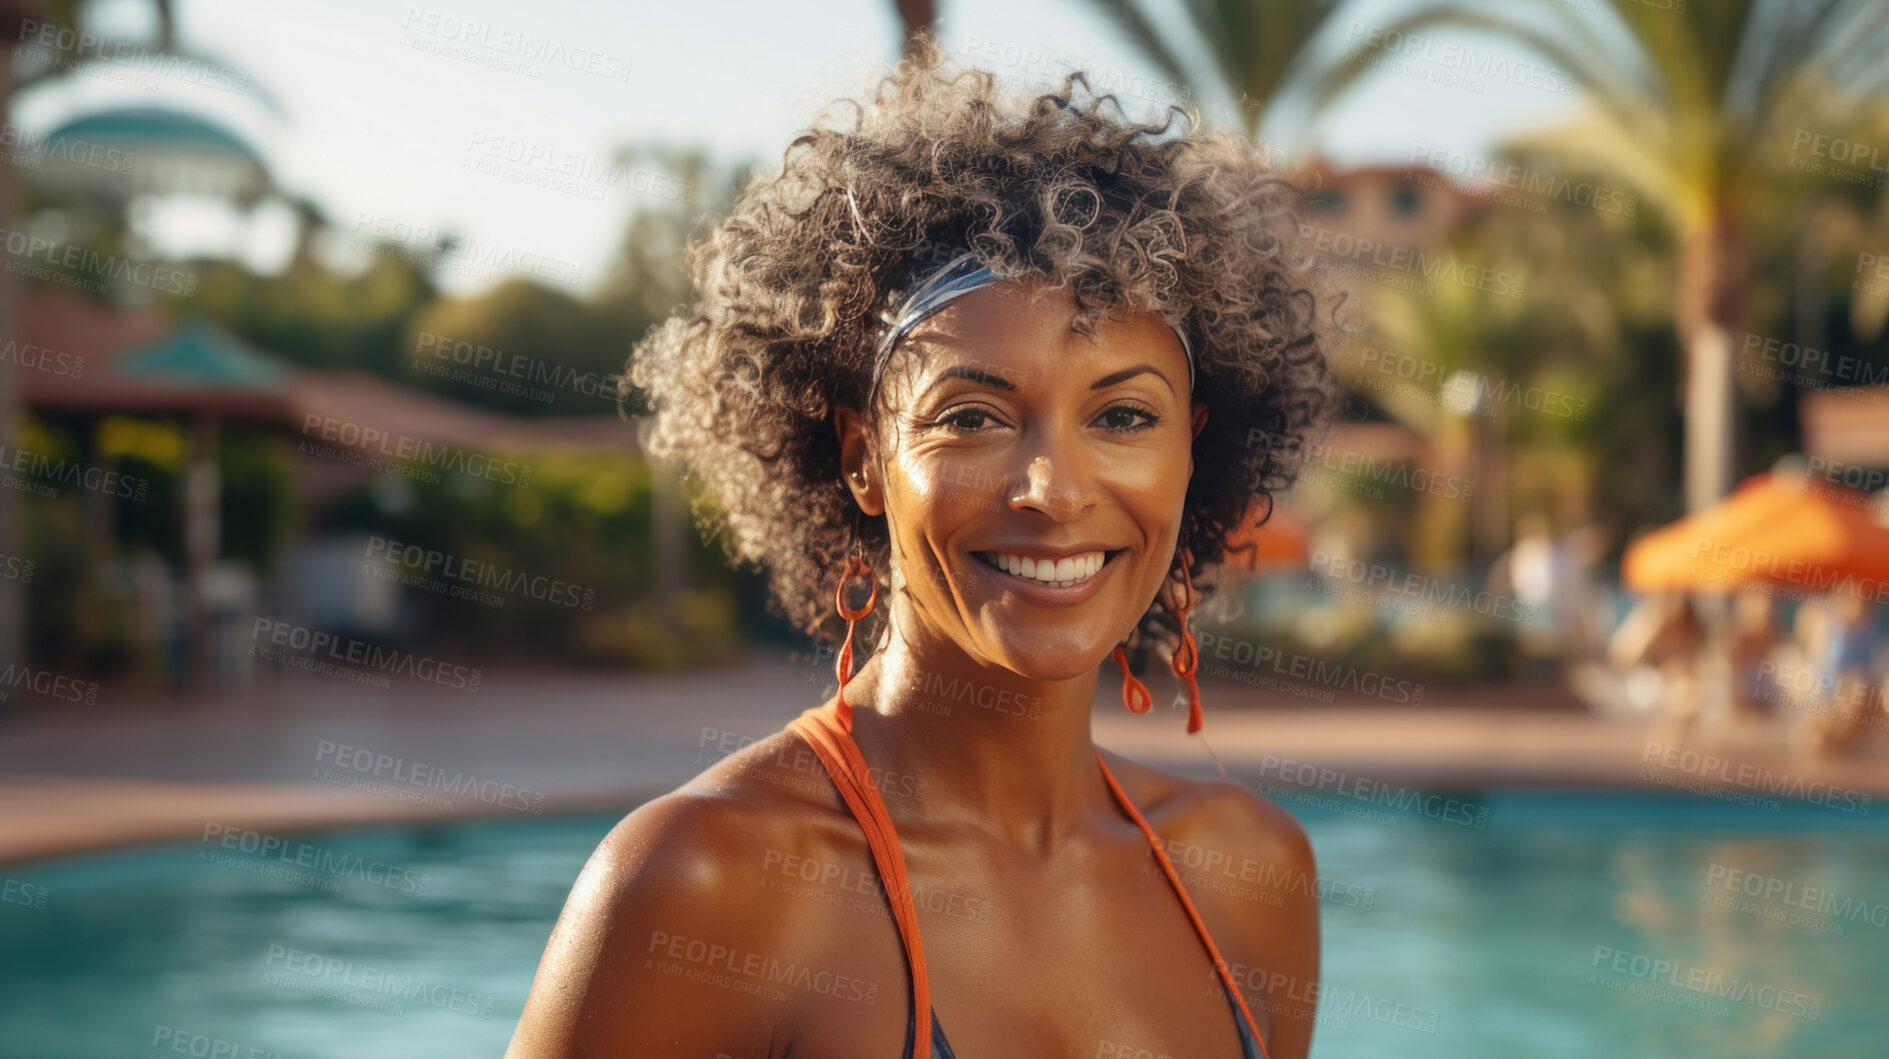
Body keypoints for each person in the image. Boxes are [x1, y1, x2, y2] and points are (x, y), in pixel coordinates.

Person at [505, 38, 1337, 1059]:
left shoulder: (1249, 874)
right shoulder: (705, 883)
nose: (1054, 490)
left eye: (1122, 418)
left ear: (1192, 451)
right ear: (861, 455)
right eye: (973, 418)